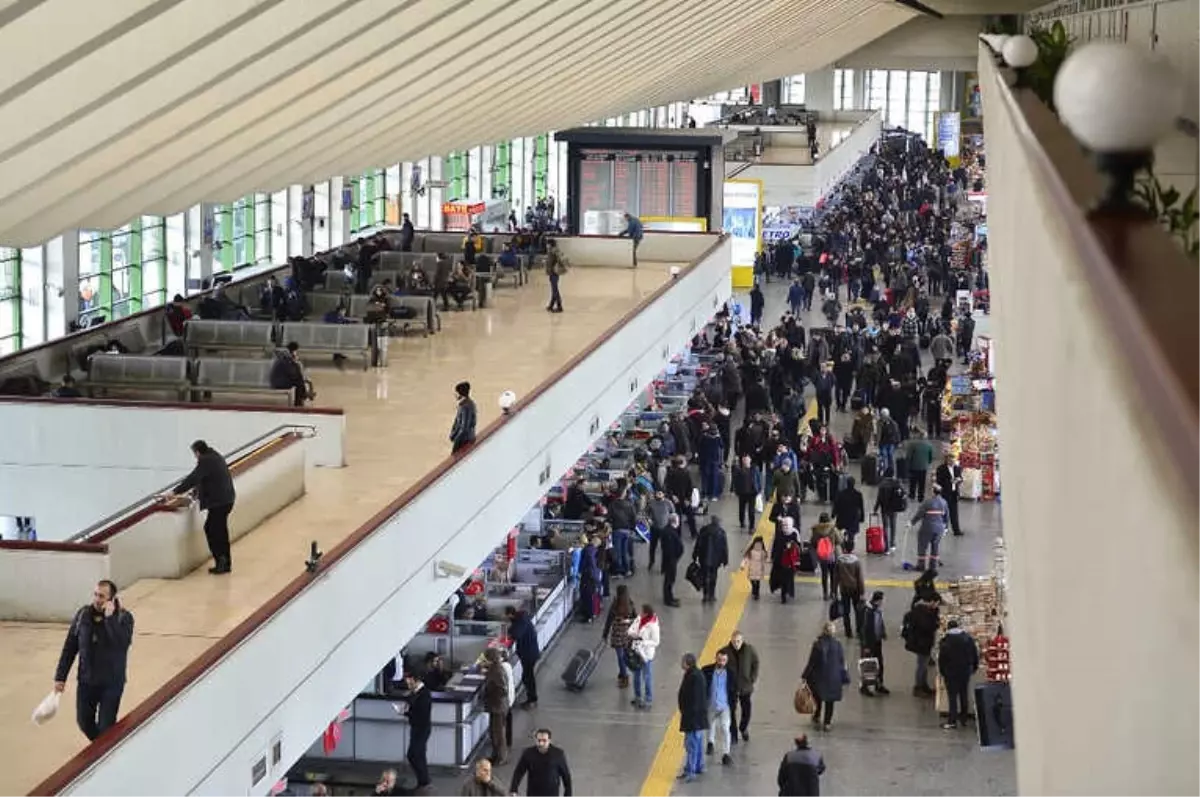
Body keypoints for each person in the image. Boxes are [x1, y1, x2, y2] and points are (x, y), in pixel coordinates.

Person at [53, 579, 134, 741]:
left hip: (111, 683)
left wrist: (110, 619)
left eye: (102, 596)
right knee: (84, 722)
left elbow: (122, 643)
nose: (97, 599)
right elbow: (70, 647)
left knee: (106, 727)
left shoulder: (124, 618)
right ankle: (104, 748)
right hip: (87, 681)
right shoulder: (83, 615)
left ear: (112, 599)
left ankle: (105, 750)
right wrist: (60, 676)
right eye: (96, 595)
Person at [165, 439, 236, 574]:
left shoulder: (206, 461)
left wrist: (174, 492)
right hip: (226, 500)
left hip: (219, 502)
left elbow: (194, 478)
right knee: (220, 530)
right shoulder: (215, 456)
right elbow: (205, 478)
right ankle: (225, 562)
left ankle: (221, 562)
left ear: (197, 452)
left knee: (212, 529)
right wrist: (195, 493)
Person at [802, 622, 848, 732]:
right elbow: (842, 662)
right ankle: (827, 722)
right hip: (833, 677)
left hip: (819, 676)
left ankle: (817, 715)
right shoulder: (837, 645)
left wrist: (805, 676)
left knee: (818, 697)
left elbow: (812, 662)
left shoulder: (818, 644)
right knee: (830, 701)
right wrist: (844, 676)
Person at [938, 619, 980, 730]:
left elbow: (942, 659)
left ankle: (952, 720)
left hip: (950, 672)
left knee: (952, 696)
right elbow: (974, 653)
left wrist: (942, 671)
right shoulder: (967, 638)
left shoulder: (945, 641)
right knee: (963, 693)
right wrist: (974, 667)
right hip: (965, 670)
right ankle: (964, 718)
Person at [510, 728, 573, 797]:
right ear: (535, 740)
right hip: (533, 793)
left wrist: (568, 794)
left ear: (549, 741)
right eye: (539, 740)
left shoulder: (558, 754)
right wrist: (514, 790)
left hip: (551, 794)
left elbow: (566, 776)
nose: (541, 743)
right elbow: (519, 772)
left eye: (544, 741)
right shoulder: (528, 753)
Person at [721, 631, 760, 743]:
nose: (736, 644)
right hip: (731, 687)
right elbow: (719, 665)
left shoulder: (749, 650)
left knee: (746, 710)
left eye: (738, 641)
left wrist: (752, 678)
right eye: (734, 641)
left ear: (742, 641)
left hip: (745, 686)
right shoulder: (725, 651)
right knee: (731, 711)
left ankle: (743, 728)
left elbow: (755, 663)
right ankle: (733, 734)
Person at [398, 672, 433, 792]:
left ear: (415, 680)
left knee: (413, 754)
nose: (407, 683)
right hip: (416, 728)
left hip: (422, 729)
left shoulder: (425, 694)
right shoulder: (415, 692)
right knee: (419, 755)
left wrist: (405, 713)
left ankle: (424, 781)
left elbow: (421, 715)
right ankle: (423, 781)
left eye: (409, 680)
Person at [677, 653, 708, 782]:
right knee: (698, 743)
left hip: (693, 719)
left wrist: (687, 712)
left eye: (682, 662)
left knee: (691, 745)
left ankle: (690, 771)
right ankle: (699, 766)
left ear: (687, 663)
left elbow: (693, 699)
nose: (681, 664)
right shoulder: (697, 674)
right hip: (698, 719)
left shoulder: (693, 677)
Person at [702, 650, 736, 766]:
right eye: (719, 659)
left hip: (724, 706)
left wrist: (733, 704)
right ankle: (710, 743)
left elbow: (733, 689)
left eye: (724, 660)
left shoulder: (731, 673)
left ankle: (726, 754)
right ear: (715, 658)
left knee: (725, 729)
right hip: (710, 704)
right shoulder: (706, 671)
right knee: (710, 725)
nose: (721, 662)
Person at [902, 592, 940, 697]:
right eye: (937, 603)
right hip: (922, 643)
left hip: (922, 642)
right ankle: (918, 687)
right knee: (922, 666)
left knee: (923, 665)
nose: (937, 605)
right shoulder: (924, 613)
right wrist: (936, 621)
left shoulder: (920, 609)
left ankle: (924, 685)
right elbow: (928, 627)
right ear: (932, 602)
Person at [505, 605, 541, 708]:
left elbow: (516, 634)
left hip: (528, 654)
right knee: (527, 676)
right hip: (529, 652)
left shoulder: (521, 621)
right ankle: (532, 698)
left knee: (527, 677)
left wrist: (510, 632)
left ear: (510, 615)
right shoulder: (522, 618)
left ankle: (532, 699)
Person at [626, 603, 660, 709]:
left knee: (646, 677)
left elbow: (656, 641)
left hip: (646, 655)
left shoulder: (653, 626)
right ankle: (637, 697)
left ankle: (648, 699)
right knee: (636, 675)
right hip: (636, 651)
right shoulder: (639, 619)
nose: (640, 613)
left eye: (643, 612)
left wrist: (644, 642)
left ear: (647, 613)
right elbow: (631, 630)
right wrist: (634, 635)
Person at [602, 585, 637, 689]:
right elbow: (636, 619)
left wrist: (605, 634)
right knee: (625, 655)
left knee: (620, 657)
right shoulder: (630, 604)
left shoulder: (615, 605)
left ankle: (624, 675)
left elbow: (609, 620)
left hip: (617, 635)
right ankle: (623, 674)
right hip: (627, 635)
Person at [909, 485, 950, 571]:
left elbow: (919, 514)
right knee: (935, 546)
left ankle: (921, 565)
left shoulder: (927, 502)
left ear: (933, 491)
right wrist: (946, 528)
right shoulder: (944, 502)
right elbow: (946, 517)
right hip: (939, 529)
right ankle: (933, 566)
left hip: (927, 528)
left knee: (922, 546)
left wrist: (911, 523)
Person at [859, 590, 890, 696]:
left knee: (879, 664)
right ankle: (864, 686)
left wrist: (883, 633)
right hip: (869, 643)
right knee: (868, 665)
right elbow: (864, 629)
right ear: (878, 600)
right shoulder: (868, 611)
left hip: (877, 641)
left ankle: (879, 684)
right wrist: (866, 645)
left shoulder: (878, 610)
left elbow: (880, 622)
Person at [482, 649, 510, 764]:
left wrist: (490, 694)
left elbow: (502, 689)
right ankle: (496, 755)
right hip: (498, 706)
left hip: (497, 706)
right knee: (495, 733)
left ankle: (500, 758)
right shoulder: (496, 668)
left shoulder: (497, 670)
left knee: (497, 734)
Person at [693, 515, 729, 603]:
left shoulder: (704, 530)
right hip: (716, 559)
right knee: (714, 576)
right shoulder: (721, 532)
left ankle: (705, 595)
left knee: (705, 576)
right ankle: (712, 595)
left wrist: (695, 555)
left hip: (704, 558)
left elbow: (698, 544)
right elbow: (724, 548)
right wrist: (725, 560)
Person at [833, 541, 865, 639]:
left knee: (846, 612)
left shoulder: (839, 561)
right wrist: (862, 592)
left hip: (844, 589)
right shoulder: (856, 561)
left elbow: (836, 577)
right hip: (855, 589)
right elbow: (860, 578)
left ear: (844, 549)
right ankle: (859, 631)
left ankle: (848, 632)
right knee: (858, 611)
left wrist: (834, 590)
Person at [809, 513, 842, 600]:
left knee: (824, 574)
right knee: (833, 574)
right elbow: (839, 541)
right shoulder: (833, 529)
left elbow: (813, 542)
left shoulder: (816, 530)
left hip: (822, 556)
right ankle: (833, 592)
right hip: (833, 555)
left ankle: (825, 593)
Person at [873, 466, 905, 554]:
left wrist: (875, 508)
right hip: (894, 508)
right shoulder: (897, 483)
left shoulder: (882, 484)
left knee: (885, 527)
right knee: (893, 526)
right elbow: (903, 493)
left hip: (885, 508)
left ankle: (886, 547)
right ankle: (892, 544)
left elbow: (879, 498)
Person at [269, 341, 311, 407]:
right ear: (294, 351)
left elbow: (292, 373)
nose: (297, 353)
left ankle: (302, 398)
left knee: (299, 381)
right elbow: (292, 373)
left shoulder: (285, 356)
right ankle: (300, 401)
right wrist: (296, 364)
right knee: (299, 382)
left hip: (280, 380)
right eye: (297, 351)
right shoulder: (286, 358)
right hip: (279, 382)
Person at [934, 455, 964, 535]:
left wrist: (959, 480)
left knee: (954, 512)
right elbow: (939, 481)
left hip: (954, 493)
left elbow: (961, 478)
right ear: (946, 460)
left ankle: (956, 530)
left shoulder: (957, 468)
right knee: (943, 512)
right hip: (945, 493)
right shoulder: (941, 468)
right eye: (950, 461)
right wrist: (950, 481)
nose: (952, 462)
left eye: (953, 460)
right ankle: (942, 529)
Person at [659, 513, 684, 607]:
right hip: (670, 560)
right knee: (669, 580)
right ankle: (668, 600)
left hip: (671, 560)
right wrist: (675, 557)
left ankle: (670, 596)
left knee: (670, 579)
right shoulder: (669, 532)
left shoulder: (668, 530)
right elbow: (670, 548)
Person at [831, 475, 865, 545]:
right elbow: (861, 507)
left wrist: (833, 514)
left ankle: (843, 543)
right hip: (853, 518)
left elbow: (836, 505)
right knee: (851, 533)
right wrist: (862, 518)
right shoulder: (858, 494)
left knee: (840, 532)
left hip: (842, 518)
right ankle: (850, 545)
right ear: (854, 484)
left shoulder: (841, 494)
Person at [904, 429, 935, 502]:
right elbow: (930, 457)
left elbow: (908, 456)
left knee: (913, 482)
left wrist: (907, 465)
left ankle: (912, 495)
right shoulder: (929, 445)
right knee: (922, 483)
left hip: (913, 466)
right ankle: (920, 497)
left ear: (918, 436)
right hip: (923, 467)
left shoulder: (912, 444)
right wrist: (928, 463)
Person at [450, 380, 477, 454]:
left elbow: (464, 427)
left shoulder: (466, 406)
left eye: (456, 392)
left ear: (460, 394)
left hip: (464, 441)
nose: (454, 394)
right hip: (464, 439)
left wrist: (456, 440)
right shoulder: (466, 404)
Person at [742, 536, 769, 600]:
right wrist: (743, 565)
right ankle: (755, 589)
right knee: (752, 580)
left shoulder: (762, 551)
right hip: (752, 567)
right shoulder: (751, 551)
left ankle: (756, 592)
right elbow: (746, 558)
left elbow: (765, 557)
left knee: (757, 581)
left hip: (759, 568)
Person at [876, 407, 901, 475]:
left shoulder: (893, 423)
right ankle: (884, 469)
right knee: (884, 456)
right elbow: (878, 433)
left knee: (890, 455)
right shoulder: (880, 422)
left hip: (890, 442)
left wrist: (898, 441)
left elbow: (896, 432)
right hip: (883, 442)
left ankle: (890, 469)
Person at [545, 239, 566, 312]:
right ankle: (551, 305)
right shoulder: (553, 251)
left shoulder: (553, 251)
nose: (546, 245)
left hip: (554, 272)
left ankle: (559, 306)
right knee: (554, 289)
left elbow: (558, 261)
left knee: (555, 290)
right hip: (553, 272)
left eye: (548, 244)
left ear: (550, 244)